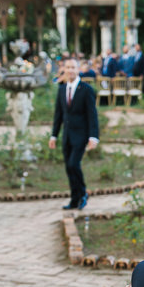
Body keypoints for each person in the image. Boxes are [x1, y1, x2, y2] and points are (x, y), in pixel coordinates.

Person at [49, 58, 99, 210]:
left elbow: (92, 115)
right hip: (66, 136)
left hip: (81, 135)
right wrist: (54, 136)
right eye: (68, 67)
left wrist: (93, 136)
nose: (70, 70)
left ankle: (83, 193)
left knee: (73, 164)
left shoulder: (86, 89)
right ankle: (74, 198)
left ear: (78, 70)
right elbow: (58, 115)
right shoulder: (62, 88)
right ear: (64, 70)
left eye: (73, 67)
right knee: (68, 167)